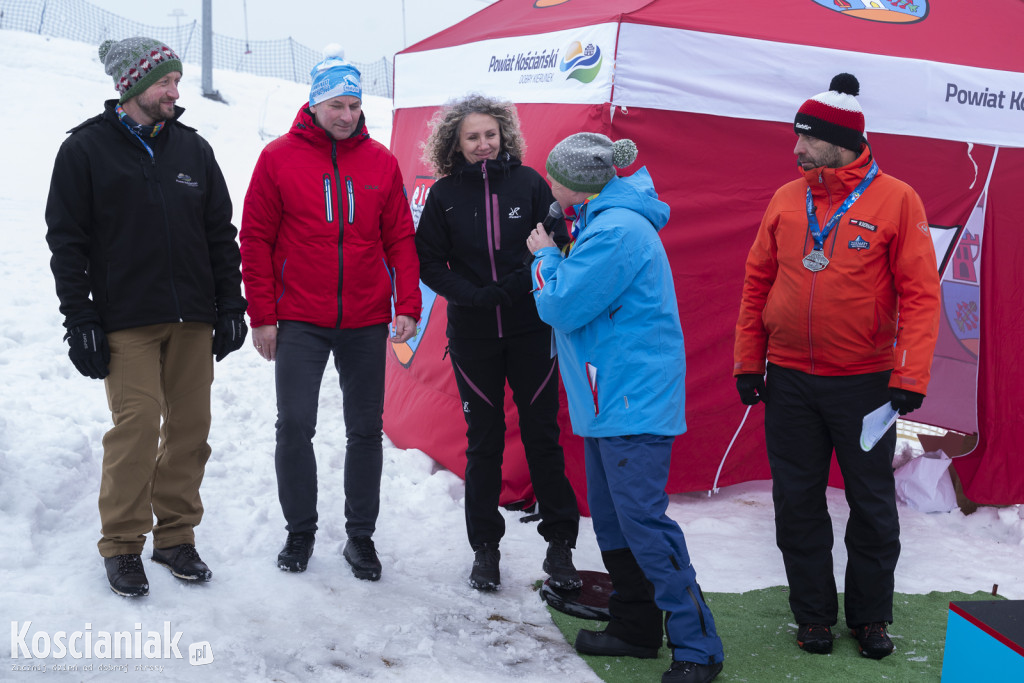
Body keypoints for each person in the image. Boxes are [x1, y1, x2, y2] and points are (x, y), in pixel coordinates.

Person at [733, 73, 940, 659]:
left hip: (865, 384)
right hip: (791, 380)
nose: (796, 149)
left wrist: (909, 376)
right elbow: (757, 283)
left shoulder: (898, 198)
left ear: (839, 141)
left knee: (871, 505)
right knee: (795, 502)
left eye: (806, 139)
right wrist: (750, 360)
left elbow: (922, 294)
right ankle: (814, 616)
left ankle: (871, 617)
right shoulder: (785, 198)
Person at [45, 37, 248, 597]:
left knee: (190, 429)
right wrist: (80, 320)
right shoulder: (85, 150)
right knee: (136, 426)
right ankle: (122, 544)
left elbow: (218, 236)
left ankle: (176, 536)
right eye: (164, 82)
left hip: (192, 318)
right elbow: (68, 242)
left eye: (176, 81)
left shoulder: (192, 150)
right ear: (131, 86)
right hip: (125, 319)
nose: (174, 92)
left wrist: (231, 305)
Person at [528, 133, 724, 683]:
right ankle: (636, 627)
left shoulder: (616, 229)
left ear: (581, 182)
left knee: (642, 523)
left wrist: (544, 255)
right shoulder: (603, 217)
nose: (550, 185)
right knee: (616, 523)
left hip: (629, 398)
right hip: (609, 396)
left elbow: (561, 306)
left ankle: (698, 646)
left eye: (554, 177)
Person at [240, 52, 421, 581]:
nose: (347, 115)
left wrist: (406, 304)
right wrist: (263, 315)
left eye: (354, 105)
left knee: (366, 429)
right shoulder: (278, 158)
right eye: (337, 105)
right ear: (315, 104)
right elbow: (255, 239)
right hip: (299, 318)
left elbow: (400, 240)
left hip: (364, 317)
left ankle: (360, 537)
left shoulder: (381, 162)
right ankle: (301, 531)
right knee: (294, 424)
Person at [415, 94, 581, 592]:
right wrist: (472, 295)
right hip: (473, 335)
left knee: (542, 438)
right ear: (456, 143)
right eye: (472, 137)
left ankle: (560, 546)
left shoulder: (529, 184)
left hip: (532, 329)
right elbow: (428, 262)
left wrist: (512, 287)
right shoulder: (444, 195)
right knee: (483, 444)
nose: (484, 144)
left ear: (503, 134)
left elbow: (556, 242)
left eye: (491, 134)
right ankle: (485, 549)